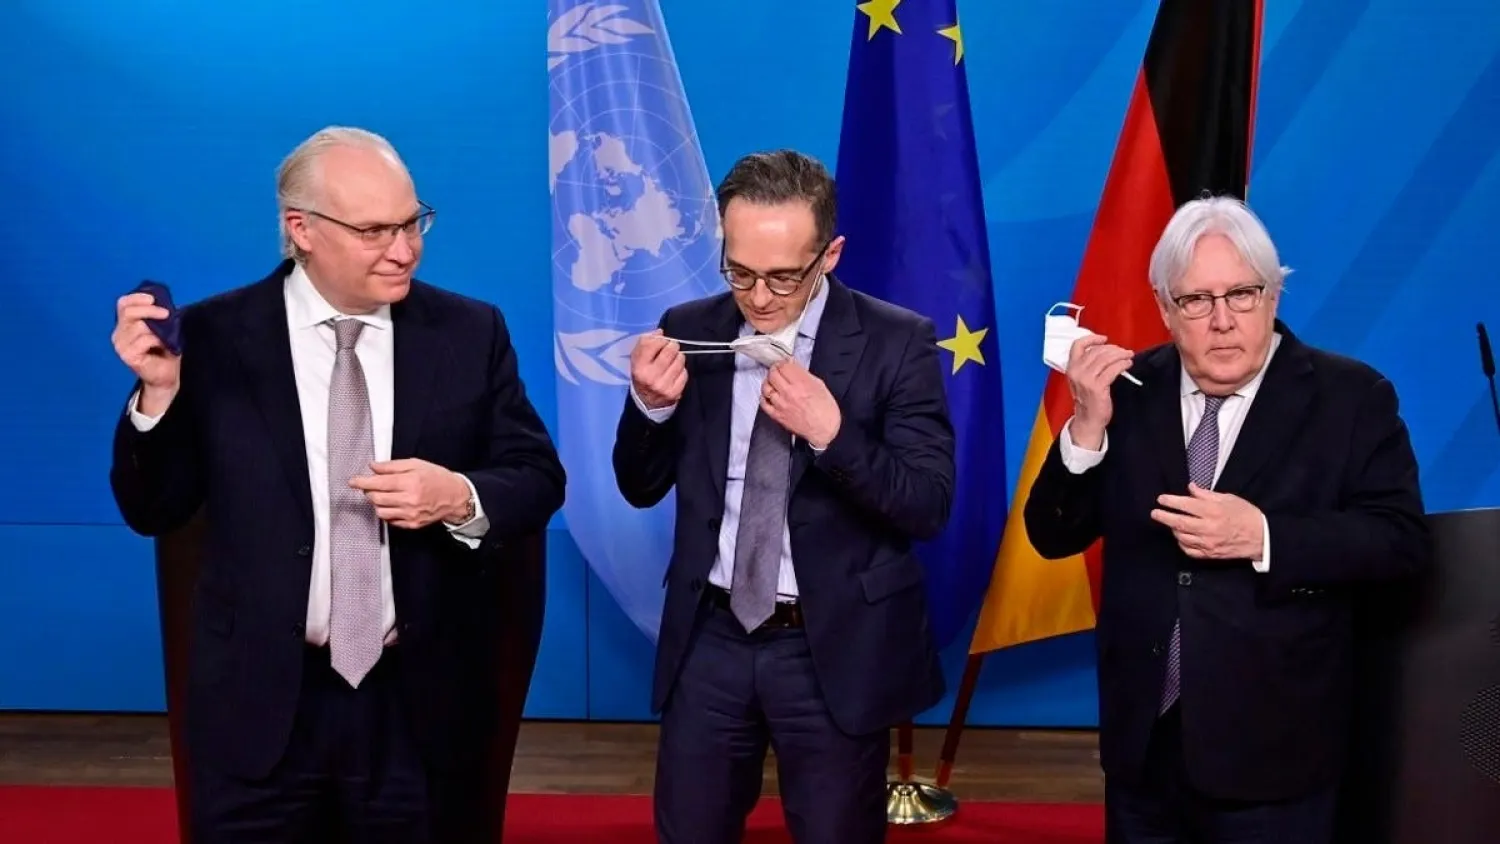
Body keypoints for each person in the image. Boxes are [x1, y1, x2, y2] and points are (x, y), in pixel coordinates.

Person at [108, 126, 565, 842]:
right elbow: (152, 507)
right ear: (302, 230)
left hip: (418, 710)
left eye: (415, 222)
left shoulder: (469, 332)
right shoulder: (214, 338)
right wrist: (160, 397)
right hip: (259, 710)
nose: (405, 248)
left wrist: (458, 497)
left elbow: (537, 479)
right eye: (376, 230)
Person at [1024, 195, 1429, 843]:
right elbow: (1051, 534)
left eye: (1241, 295)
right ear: (1165, 308)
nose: (1221, 321)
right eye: (1196, 301)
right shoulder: (1129, 391)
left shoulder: (1351, 398)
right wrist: (1086, 429)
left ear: (1273, 296)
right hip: (1143, 748)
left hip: (1276, 753)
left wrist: (1264, 537)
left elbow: (1401, 543)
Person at [612, 149, 954, 843]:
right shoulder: (692, 326)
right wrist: (646, 408)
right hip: (710, 636)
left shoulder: (896, 341)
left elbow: (927, 504)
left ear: (830, 255)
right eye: (740, 272)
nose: (760, 297)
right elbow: (638, 485)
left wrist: (833, 435)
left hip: (829, 646)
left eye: (783, 277)